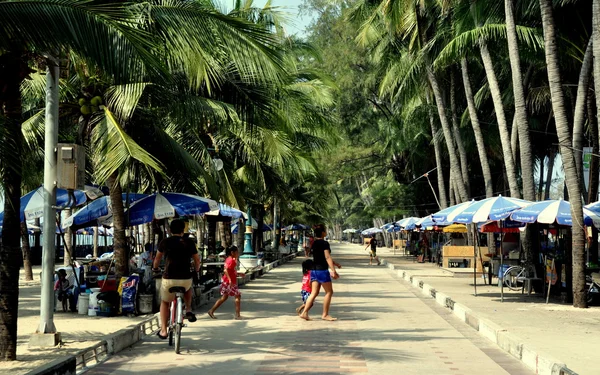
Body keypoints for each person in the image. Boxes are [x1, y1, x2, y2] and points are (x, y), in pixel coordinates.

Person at [153, 219, 201, 340]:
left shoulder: (165, 242)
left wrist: (155, 268)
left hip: (169, 278)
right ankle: (188, 309)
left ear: (170, 230)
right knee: (188, 286)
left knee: (165, 302)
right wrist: (196, 270)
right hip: (185, 278)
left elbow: (157, 260)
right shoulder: (189, 242)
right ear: (183, 230)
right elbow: (197, 260)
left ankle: (163, 330)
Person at [299, 224, 341, 321]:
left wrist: (335, 264)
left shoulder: (314, 243)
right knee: (329, 292)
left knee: (314, 293)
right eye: (325, 230)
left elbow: (320, 257)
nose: (326, 232)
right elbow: (327, 257)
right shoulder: (324, 243)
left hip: (314, 271)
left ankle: (304, 312)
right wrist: (333, 271)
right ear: (322, 233)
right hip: (322, 271)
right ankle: (325, 314)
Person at [208, 246, 245, 319]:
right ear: (232, 252)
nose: (238, 253)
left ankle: (211, 310)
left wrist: (238, 274)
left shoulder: (230, 259)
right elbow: (225, 270)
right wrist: (230, 280)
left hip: (227, 281)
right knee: (237, 295)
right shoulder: (230, 260)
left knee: (224, 297)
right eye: (236, 252)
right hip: (229, 282)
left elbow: (231, 271)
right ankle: (237, 315)